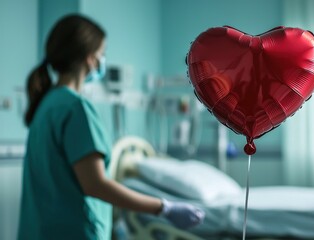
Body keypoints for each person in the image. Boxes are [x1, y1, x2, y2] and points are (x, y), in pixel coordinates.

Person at [17, 14, 204, 240]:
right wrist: (164, 208)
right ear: (90, 58)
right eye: (101, 54)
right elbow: (95, 184)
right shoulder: (76, 108)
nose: (102, 61)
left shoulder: (46, 104)